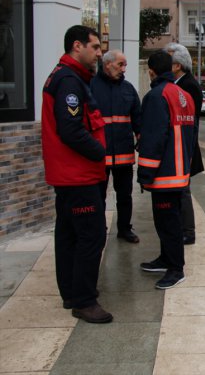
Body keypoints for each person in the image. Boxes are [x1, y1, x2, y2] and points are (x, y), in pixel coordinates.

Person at [41, 25, 113, 323]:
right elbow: (70, 130)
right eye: (95, 47)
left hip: (70, 175)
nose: (99, 53)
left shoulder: (67, 77)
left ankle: (71, 292)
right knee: (91, 235)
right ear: (76, 46)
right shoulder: (69, 81)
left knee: (69, 234)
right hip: (78, 175)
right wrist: (100, 154)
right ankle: (83, 301)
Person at [137, 50, 196, 289]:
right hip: (180, 172)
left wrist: (145, 174)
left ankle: (175, 268)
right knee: (169, 221)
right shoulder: (184, 95)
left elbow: (153, 139)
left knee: (167, 224)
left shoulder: (156, 96)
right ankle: (166, 259)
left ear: (151, 71)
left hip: (164, 174)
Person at [90, 50, 142, 244]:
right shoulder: (91, 87)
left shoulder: (128, 89)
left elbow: (138, 119)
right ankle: (99, 229)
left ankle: (124, 229)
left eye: (125, 65)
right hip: (99, 155)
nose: (124, 69)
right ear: (107, 64)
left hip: (123, 155)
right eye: (120, 64)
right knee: (98, 196)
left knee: (125, 196)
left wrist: (141, 138)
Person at [165, 43, 204, 245]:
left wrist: (187, 152)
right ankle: (183, 228)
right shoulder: (181, 83)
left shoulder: (187, 85)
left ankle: (188, 231)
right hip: (181, 148)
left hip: (184, 148)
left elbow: (191, 124)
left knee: (183, 190)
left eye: (168, 60)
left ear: (177, 65)